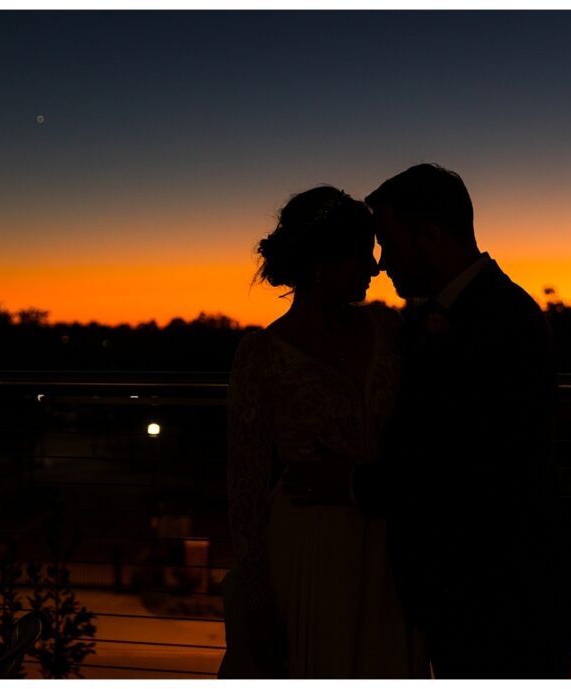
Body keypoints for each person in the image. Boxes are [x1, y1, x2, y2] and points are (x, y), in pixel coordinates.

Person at [284, 164, 571, 678]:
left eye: (389, 242)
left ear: (430, 235)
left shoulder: (503, 321)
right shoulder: (441, 316)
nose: (381, 262)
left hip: (509, 595)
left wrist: (352, 483)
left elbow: (471, 467)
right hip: (470, 594)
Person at [218, 185, 427, 678]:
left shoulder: (388, 329)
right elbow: (245, 488)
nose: (374, 267)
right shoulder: (262, 356)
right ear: (319, 263)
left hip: (390, 540)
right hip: (311, 550)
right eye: (360, 254)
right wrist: (256, 600)